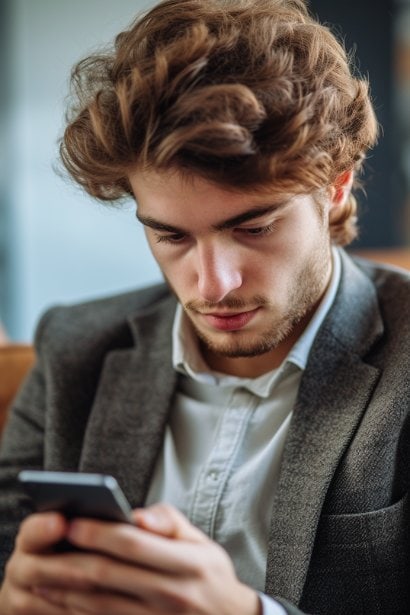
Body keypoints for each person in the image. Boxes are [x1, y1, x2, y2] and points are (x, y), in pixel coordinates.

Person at [0, 0, 409, 613]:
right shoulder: (74, 344)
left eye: (254, 228)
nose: (212, 285)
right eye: (171, 236)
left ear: (336, 185)